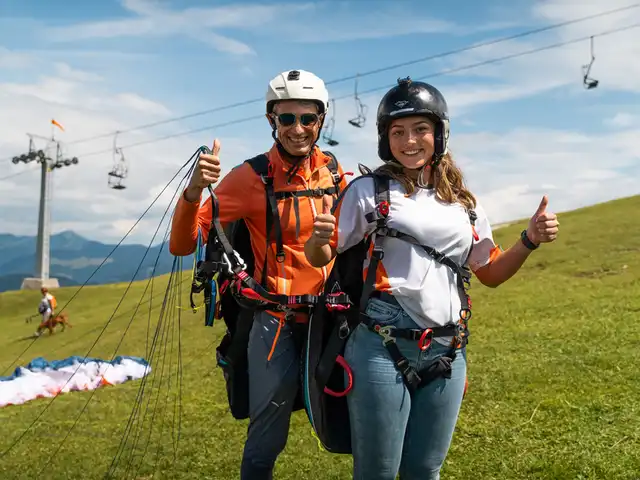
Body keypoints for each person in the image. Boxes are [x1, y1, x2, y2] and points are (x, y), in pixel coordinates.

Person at [304, 77, 559, 480]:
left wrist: (529, 240)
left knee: (426, 470)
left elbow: (489, 272)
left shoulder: (463, 204)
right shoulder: (369, 191)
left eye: (420, 129)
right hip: (380, 347)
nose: (410, 141)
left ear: (439, 133)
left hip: (447, 350)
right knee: (377, 472)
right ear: (384, 139)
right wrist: (318, 240)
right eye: (398, 131)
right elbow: (323, 256)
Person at [169, 69, 349, 479]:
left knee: (356, 418)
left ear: (321, 120)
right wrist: (194, 190)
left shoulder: (337, 175)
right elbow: (183, 244)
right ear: (272, 121)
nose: (298, 129)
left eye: (308, 118)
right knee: (266, 436)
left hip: (333, 319)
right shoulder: (248, 178)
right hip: (275, 322)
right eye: (286, 119)